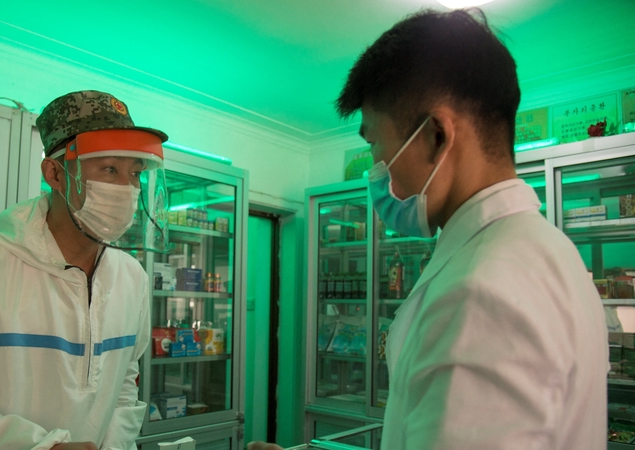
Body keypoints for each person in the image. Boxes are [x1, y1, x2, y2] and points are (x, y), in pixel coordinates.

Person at [252, 7, 607, 450]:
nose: (378, 174)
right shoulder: (548, 251)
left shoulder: (482, 292)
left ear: (436, 135)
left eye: (375, 146)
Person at [0, 90, 170, 450]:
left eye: (134, 173)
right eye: (109, 169)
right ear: (55, 173)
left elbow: (122, 384)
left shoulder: (131, 277)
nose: (127, 188)